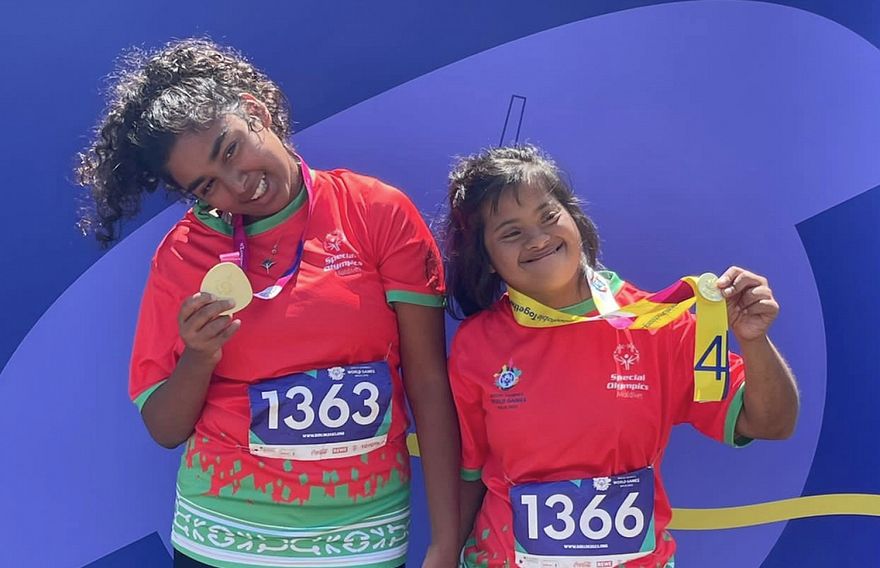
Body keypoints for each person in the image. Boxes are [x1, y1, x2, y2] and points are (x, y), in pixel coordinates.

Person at [76, 38, 460, 568]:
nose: (238, 185)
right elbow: (164, 429)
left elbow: (428, 384)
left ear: (255, 112)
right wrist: (199, 356)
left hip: (362, 542)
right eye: (207, 186)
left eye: (230, 149)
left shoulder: (377, 212)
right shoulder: (183, 254)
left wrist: (445, 541)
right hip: (222, 542)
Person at [442, 145, 799, 568]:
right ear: (486, 259)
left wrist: (754, 342)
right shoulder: (476, 344)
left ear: (575, 219)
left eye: (548, 216)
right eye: (511, 233)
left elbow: (770, 423)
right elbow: (469, 474)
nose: (538, 239)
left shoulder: (655, 323)